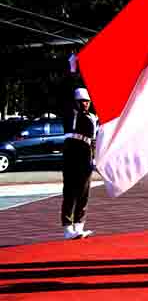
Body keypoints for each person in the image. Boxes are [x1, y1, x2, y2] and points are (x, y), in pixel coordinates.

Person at [62, 88, 98, 239]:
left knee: (84, 191)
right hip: (72, 155)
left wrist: (94, 158)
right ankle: (67, 228)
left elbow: (94, 140)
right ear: (76, 102)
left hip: (86, 155)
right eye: (82, 101)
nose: (85, 104)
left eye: (87, 101)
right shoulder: (72, 114)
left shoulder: (92, 117)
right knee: (70, 192)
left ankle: (79, 225)